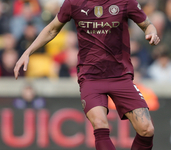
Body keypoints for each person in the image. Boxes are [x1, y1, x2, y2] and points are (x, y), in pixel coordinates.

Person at [14, 0, 160, 149]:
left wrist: (152, 33)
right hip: (90, 77)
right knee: (100, 124)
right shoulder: (73, 3)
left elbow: (147, 25)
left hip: (120, 76)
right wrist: (28, 52)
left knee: (146, 129)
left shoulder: (125, 2)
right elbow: (52, 29)